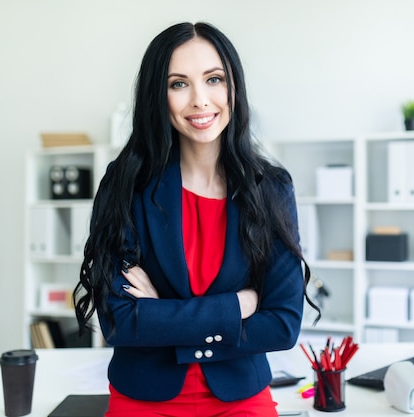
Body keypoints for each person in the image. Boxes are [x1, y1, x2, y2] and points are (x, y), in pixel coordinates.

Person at [73, 21, 319, 417]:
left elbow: (283, 325)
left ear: (232, 87)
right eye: (178, 84)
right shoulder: (126, 184)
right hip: (144, 398)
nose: (200, 100)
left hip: (240, 397)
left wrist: (161, 314)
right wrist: (238, 304)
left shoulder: (271, 188)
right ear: (159, 95)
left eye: (214, 79)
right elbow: (119, 320)